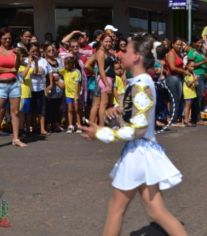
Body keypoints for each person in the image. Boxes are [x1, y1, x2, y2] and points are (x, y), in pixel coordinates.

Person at [80, 33, 187, 236]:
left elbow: (138, 129)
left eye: (127, 51)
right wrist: (118, 110)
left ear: (137, 56)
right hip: (143, 153)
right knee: (156, 212)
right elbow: (136, 114)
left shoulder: (141, 84)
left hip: (138, 153)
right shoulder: (139, 81)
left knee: (116, 210)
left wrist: (102, 132)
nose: (121, 54)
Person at [165, 38, 187, 126]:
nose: (179, 46)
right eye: (177, 44)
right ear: (173, 44)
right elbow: (172, 67)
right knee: (174, 99)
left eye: (180, 44)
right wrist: (184, 71)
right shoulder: (171, 53)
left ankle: (176, 119)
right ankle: (173, 121)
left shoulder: (179, 53)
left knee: (179, 99)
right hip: (172, 78)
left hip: (178, 77)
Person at [59, 55, 81, 133]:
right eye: (65, 64)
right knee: (70, 110)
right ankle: (70, 125)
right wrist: (58, 82)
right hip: (68, 94)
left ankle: (79, 125)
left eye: (67, 64)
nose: (65, 65)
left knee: (77, 110)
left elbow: (77, 84)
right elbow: (57, 73)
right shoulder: (64, 71)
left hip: (76, 94)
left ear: (72, 64)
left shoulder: (77, 72)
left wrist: (76, 95)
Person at [182, 59, 197, 127]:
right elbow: (188, 84)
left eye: (193, 66)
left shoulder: (192, 73)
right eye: (191, 66)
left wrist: (195, 81)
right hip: (187, 92)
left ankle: (187, 119)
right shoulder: (186, 74)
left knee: (189, 106)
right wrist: (194, 80)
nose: (193, 68)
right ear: (187, 66)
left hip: (192, 91)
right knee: (187, 106)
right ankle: (186, 120)